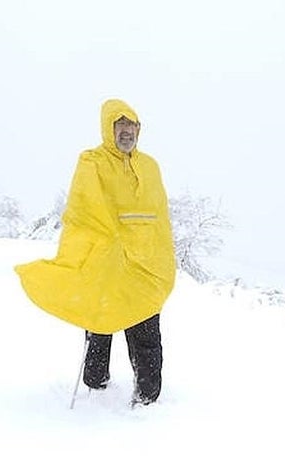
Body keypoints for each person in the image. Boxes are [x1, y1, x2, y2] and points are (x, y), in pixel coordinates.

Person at [15, 98, 176, 406]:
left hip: (143, 265)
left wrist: (162, 256)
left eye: (132, 126)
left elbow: (160, 217)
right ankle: (95, 382)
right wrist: (107, 240)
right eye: (120, 125)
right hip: (109, 258)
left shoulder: (150, 167)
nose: (127, 132)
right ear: (108, 127)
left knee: (146, 330)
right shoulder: (93, 161)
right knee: (100, 318)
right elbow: (84, 209)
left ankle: (147, 398)